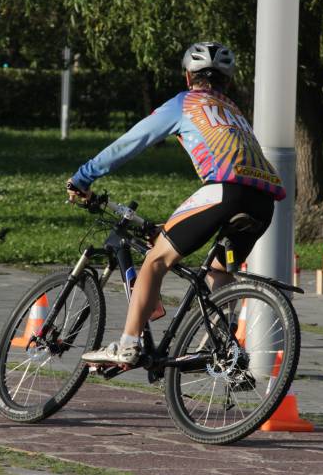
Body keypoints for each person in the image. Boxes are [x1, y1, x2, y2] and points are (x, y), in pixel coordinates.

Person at [66, 41, 286, 366]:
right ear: (228, 81)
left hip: (226, 191)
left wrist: (83, 178)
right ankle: (217, 350)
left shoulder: (186, 103)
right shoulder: (236, 113)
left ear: (188, 76)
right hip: (264, 201)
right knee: (219, 271)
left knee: (155, 261)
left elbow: (130, 143)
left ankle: (128, 344)